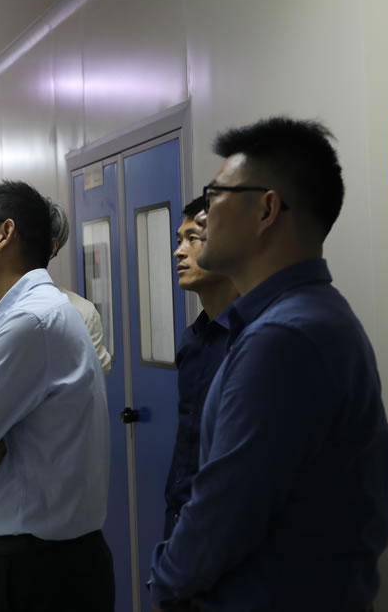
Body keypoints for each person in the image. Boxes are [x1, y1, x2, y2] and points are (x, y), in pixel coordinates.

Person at [148, 118, 388, 612]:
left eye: (216, 195)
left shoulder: (284, 338)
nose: (203, 217)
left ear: (266, 209)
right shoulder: (301, 318)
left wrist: (163, 584)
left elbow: (220, 516)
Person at [0, 180, 114, 611]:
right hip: (53, 561)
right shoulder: (46, 311)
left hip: (38, 572)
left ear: (4, 233)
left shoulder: (31, 322)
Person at [163, 197, 238, 539]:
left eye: (192, 239)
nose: (179, 252)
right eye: (179, 240)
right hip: (183, 520)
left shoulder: (255, 342)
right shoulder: (192, 340)